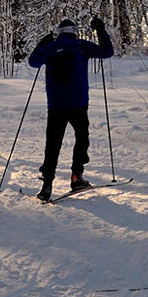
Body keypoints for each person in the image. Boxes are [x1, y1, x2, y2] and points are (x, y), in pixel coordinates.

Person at [27, 16, 113, 202]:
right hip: (78, 104)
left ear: (58, 33)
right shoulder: (81, 46)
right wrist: (100, 30)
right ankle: (76, 176)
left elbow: (33, 62)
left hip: (56, 105)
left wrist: (43, 42)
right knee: (82, 139)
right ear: (74, 32)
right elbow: (107, 52)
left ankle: (47, 185)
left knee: (53, 145)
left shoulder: (50, 49)